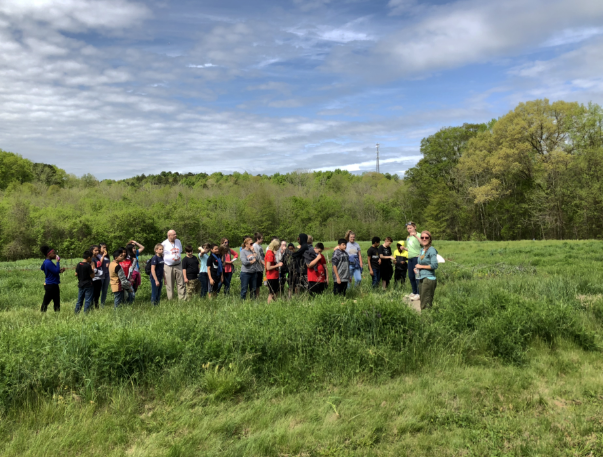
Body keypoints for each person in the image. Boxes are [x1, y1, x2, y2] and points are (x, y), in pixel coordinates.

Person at [415, 231, 438, 310]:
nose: (424, 239)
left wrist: (421, 266)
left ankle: (426, 321)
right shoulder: (422, 250)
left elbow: (434, 265)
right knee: (423, 302)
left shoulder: (431, 250)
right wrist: (417, 268)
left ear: (430, 239)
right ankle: (424, 321)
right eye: (422, 237)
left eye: (426, 237)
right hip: (422, 278)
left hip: (428, 279)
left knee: (426, 304)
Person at [162, 230, 186, 300]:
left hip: (178, 265)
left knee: (181, 283)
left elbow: (180, 251)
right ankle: (171, 299)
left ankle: (182, 299)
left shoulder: (178, 241)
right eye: (174, 234)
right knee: (170, 284)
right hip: (168, 266)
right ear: (169, 235)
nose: (176, 235)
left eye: (176, 234)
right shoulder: (164, 243)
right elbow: (161, 254)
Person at [40, 245, 65, 312]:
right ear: (49, 254)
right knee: (46, 301)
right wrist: (57, 262)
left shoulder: (46, 262)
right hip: (51, 285)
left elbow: (42, 268)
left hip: (52, 284)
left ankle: (57, 315)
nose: (55, 255)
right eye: (53, 253)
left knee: (56, 301)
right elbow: (56, 271)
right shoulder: (48, 263)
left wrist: (58, 271)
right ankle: (42, 313)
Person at [403, 222, 422, 300]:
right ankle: (414, 292)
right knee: (411, 276)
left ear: (415, 227)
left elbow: (423, 243)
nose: (409, 230)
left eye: (410, 228)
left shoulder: (420, 235)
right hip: (410, 258)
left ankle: (419, 293)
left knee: (417, 275)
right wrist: (404, 248)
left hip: (416, 257)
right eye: (408, 228)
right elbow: (410, 248)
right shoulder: (408, 237)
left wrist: (415, 236)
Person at [265, 239, 283, 303]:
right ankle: (268, 305)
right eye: (278, 246)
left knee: (275, 291)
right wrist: (278, 265)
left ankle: (275, 303)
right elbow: (268, 267)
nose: (279, 247)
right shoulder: (270, 254)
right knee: (272, 293)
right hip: (271, 276)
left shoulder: (271, 253)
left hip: (274, 276)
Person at [252, 233, 265, 298]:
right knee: (256, 284)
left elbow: (262, 255)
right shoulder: (254, 246)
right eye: (261, 238)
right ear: (257, 239)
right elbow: (257, 257)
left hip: (261, 268)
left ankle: (257, 296)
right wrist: (263, 263)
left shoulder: (260, 246)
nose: (262, 240)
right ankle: (255, 296)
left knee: (259, 284)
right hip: (257, 268)